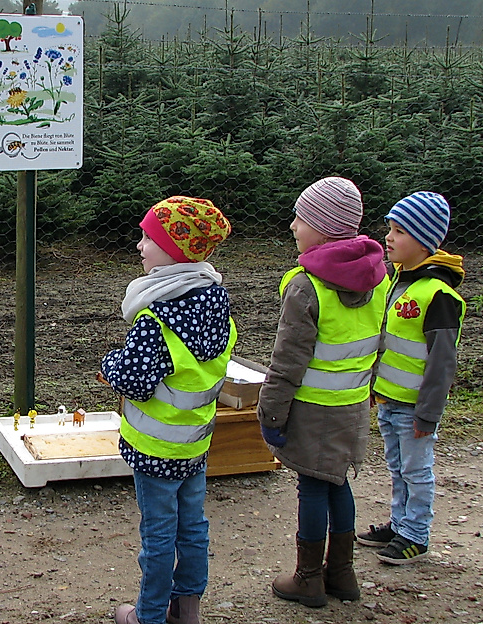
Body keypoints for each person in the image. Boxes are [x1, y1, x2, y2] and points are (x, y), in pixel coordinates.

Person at [100, 196, 234, 624]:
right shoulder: (216, 300)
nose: (139, 245)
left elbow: (135, 380)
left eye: (148, 237)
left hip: (156, 448)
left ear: (175, 250)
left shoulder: (157, 317)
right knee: (192, 526)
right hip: (196, 442)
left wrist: (109, 364)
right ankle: (187, 607)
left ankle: (149, 615)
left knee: (158, 534)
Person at [257, 177, 389, 608]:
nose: (293, 226)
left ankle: (308, 578)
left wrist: (271, 416)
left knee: (312, 487)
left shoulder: (305, 285)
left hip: (312, 409)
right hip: (352, 405)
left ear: (324, 227)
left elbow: (288, 361)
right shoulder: (379, 278)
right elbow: (379, 343)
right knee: (338, 483)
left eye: (302, 218)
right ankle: (343, 574)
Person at [357, 192, 464, 565]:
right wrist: (373, 386)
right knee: (397, 466)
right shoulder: (398, 282)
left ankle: (416, 534)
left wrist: (428, 413)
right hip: (389, 400)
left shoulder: (438, 294)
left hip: (415, 407)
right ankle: (400, 524)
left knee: (416, 471)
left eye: (399, 231)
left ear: (424, 240)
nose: (388, 237)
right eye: (389, 228)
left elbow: (442, 362)